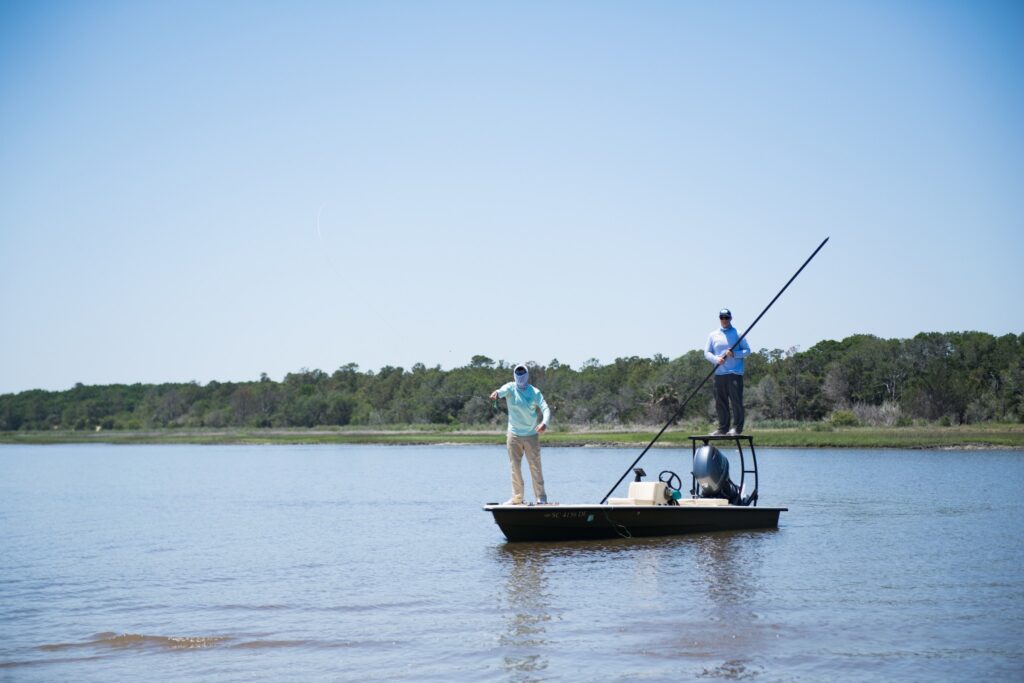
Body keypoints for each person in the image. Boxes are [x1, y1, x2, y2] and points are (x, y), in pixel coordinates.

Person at [490, 363, 551, 505]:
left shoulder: (534, 392)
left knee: (535, 466)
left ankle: (541, 498)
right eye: (518, 372)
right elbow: (501, 391)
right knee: (515, 467)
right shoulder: (510, 388)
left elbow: (545, 408)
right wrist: (497, 394)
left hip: (531, 434)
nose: (520, 375)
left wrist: (544, 422)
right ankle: (517, 498)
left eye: (523, 372)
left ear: (527, 374)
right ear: (514, 374)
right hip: (514, 435)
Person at [704, 308, 751, 436]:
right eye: (722, 317)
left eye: (726, 317)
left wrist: (734, 354)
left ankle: (737, 428)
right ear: (719, 318)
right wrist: (716, 359)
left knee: (736, 401)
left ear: (731, 318)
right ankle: (723, 428)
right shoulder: (713, 335)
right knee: (720, 402)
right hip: (719, 374)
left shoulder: (738, 333)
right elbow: (706, 352)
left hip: (734, 373)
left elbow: (747, 351)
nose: (724, 320)